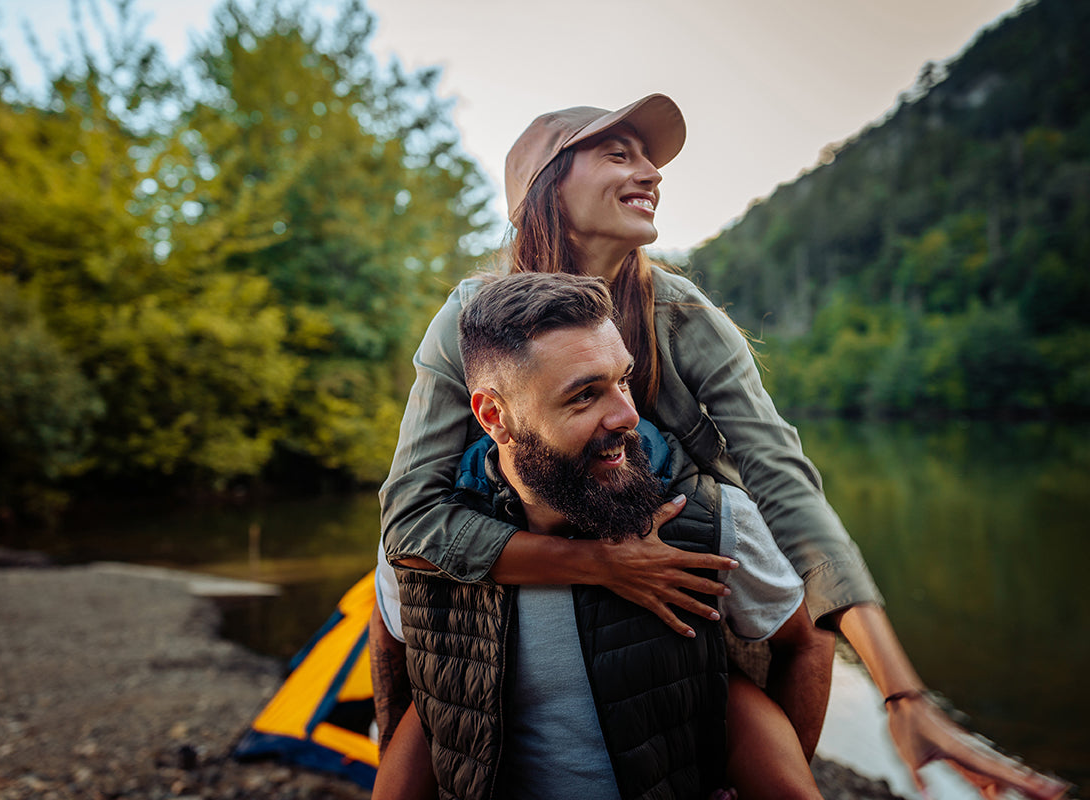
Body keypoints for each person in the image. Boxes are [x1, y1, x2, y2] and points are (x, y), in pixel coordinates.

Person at [375, 93, 1069, 799]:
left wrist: (903, 694)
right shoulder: (470, 321)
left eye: (650, 157)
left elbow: (787, 487)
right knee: (400, 598)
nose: (651, 172)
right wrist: (597, 566)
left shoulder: (685, 317)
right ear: (548, 187)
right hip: (521, 549)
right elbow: (408, 518)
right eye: (620, 153)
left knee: (782, 643)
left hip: (687, 581)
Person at [375, 271, 826, 800]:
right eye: (585, 396)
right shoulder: (426, 543)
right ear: (494, 415)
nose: (629, 415)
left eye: (623, 380)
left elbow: (807, 640)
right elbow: (419, 694)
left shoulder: (710, 521)